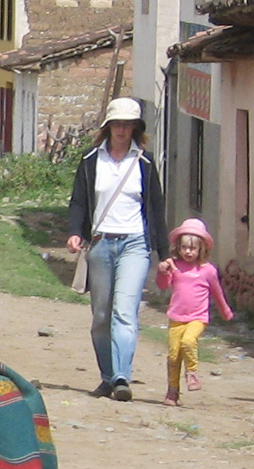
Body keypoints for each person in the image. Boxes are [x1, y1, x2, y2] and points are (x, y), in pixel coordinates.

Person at [66, 97, 169, 401]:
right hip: (99, 244)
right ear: (108, 126)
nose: (122, 129)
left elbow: (157, 211)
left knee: (125, 312)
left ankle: (122, 375)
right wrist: (74, 232)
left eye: (128, 124)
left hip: (135, 244)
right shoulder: (90, 161)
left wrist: (165, 255)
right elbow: (79, 202)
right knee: (101, 316)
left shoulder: (146, 164)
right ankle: (107, 376)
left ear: (136, 128)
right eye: (118, 123)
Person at [155, 218, 232, 407]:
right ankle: (172, 392)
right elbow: (163, 285)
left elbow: (217, 292)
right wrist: (162, 272)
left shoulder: (208, 271)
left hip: (198, 317)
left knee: (188, 341)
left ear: (202, 249)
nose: (188, 252)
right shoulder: (174, 266)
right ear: (178, 248)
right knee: (173, 356)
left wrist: (225, 311)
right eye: (184, 248)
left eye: (193, 248)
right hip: (176, 318)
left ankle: (192, 373)